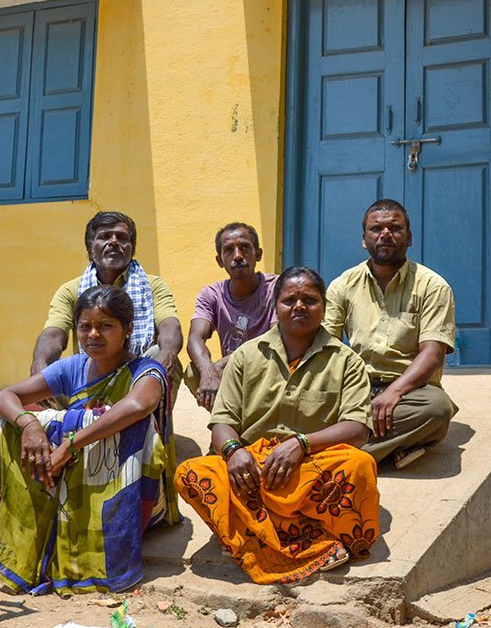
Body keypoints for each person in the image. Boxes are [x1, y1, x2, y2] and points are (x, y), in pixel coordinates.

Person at [175, 265, 380, 585]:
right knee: (192, 474)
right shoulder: (245, 356)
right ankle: (296, 542)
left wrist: (301, 444)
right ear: (275, 306)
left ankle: (254, 536)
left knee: (360, 465)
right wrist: (233, 451)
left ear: (323, 307)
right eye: (290, 300)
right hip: (253, 469)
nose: (299, 306)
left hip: (311, 465)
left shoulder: (345, 360)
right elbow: (223, 421)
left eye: (309, 300)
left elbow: (358, 428)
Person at [0, 285, 169, 595]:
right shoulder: (73, 367)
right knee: (16, 427)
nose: (93, 335)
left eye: (106, 326)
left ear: (127, 330)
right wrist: (29, 423)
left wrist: (72, 444)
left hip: (126, 486)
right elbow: (6, 396)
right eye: (85, 327)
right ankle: (37, 535)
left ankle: (103, 539)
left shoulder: (145, 370)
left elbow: (139, 405)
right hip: (66, 476)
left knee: (129, 426)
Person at [323, 199, 458, 469]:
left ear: (408, 238)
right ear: (364, 240)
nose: (385, 234)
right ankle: (387, 449)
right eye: (376, 229)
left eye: (395, 228)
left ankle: (334, 456)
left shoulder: (433, 286)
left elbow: (433, 354)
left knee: (436, 410)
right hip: (356, 387)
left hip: (410, 392)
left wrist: (394, 392)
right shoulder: (343, 285)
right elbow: (326, 346)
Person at [30, 211, 183, 384]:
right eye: (104, 236)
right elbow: (54, 334)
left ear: (132, 249)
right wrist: (40, 363)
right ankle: (79, 411)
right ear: (90, 249)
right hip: (89, 374)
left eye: (122, 237)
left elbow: (170, 325)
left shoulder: (153, 286)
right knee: (50, 372)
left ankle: (148, 410)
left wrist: (166, 356)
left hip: (138, 374)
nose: (114, 242)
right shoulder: (70, 291)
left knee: (161, 355)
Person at [184, 222, 278, 410]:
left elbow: (276, 338)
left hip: (268, 369)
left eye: (245, 248)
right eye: (229, 250)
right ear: (220, 260)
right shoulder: (212, 294)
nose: (237, 256)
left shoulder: (277, 287)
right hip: (231, 373)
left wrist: (225, 362)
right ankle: (225, 421)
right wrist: (208, 373)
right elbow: (195, 337)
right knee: (194, 372)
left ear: (258, 254)